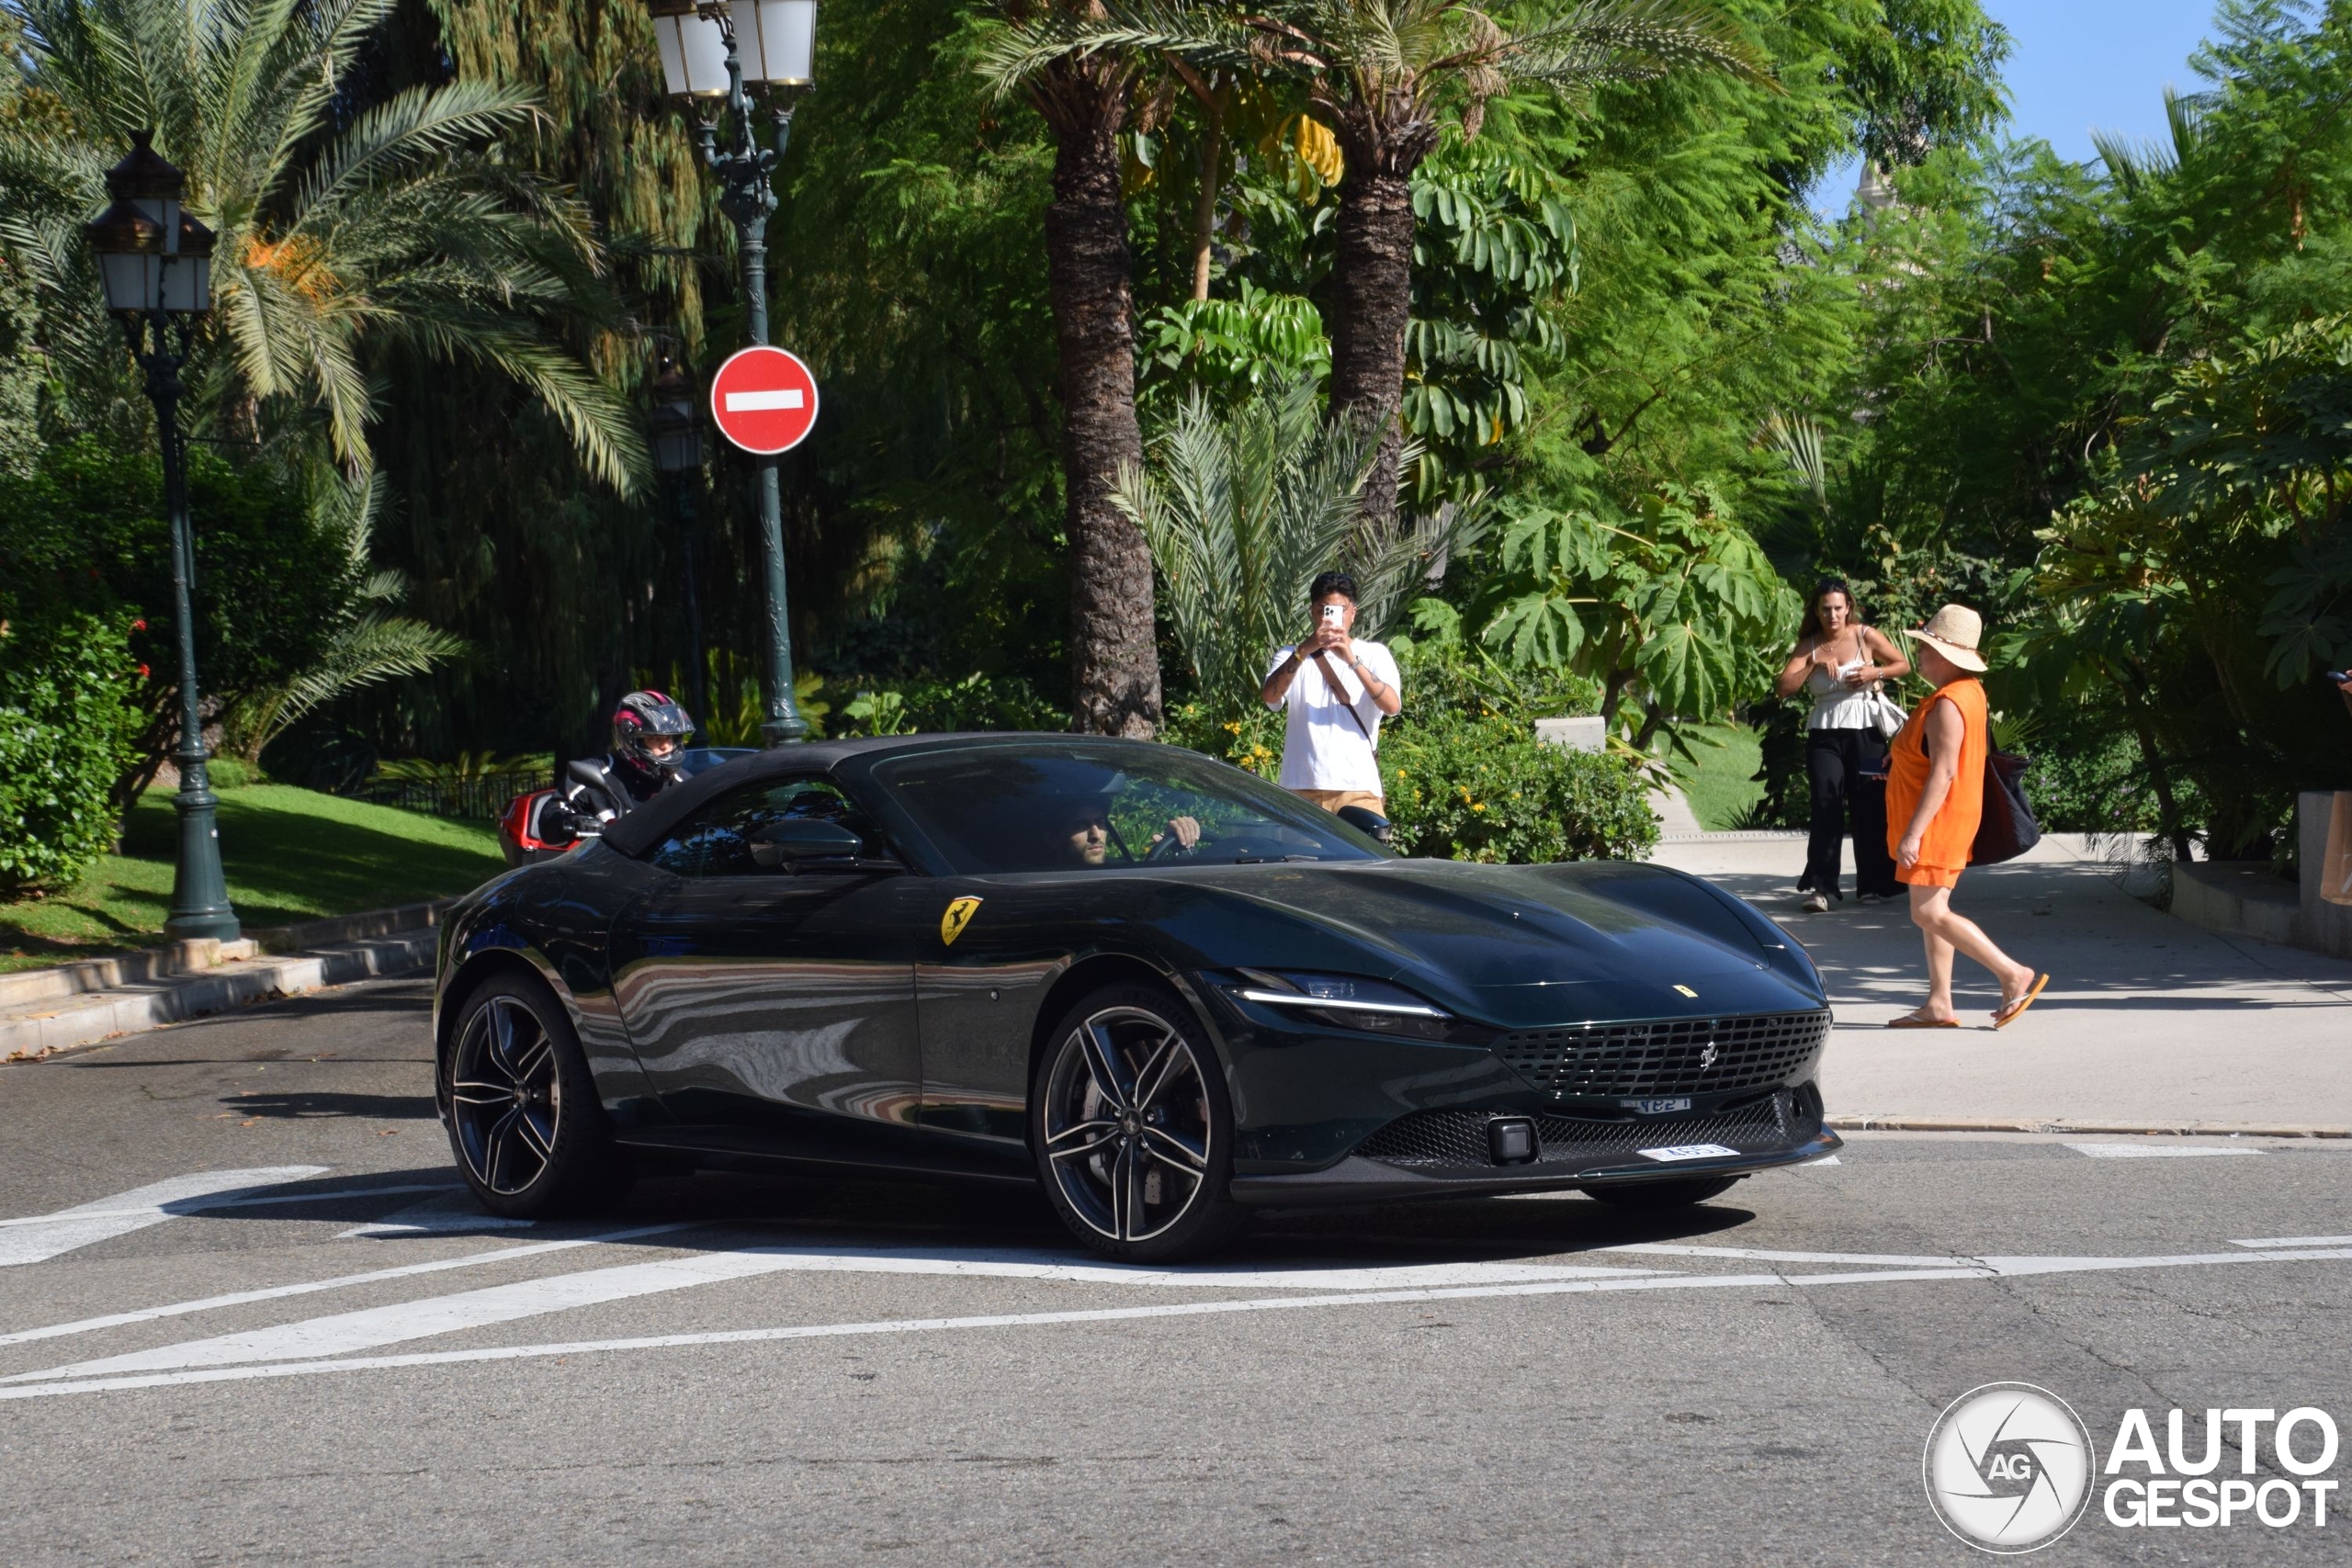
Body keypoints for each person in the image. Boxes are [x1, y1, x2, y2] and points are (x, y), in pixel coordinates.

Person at [1883, 604, 2049, 1030]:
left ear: (1946, 655)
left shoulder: (1948, 703)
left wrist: (1913, 834)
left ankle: (2013, 973)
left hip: (1940, 821)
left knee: (1929, 914)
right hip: (1949, 816)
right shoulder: (1968, 692)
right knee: (1933, 909)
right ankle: (1939, 1003)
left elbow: (1944, 772)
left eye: (1926, 647)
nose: (1919, 654)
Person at [1774, 579, 1910, 914]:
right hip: (1825, 733)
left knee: (1869, 806)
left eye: (1837, 608)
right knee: (1825, 804)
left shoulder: (1865, 635)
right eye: (1825, 609)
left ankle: (1873, 884)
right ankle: (1820, 887)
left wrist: (1873, 672)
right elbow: (1783, 688)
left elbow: (1903, 665)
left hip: (1866, 731)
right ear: (1816, 611)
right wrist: (1811, 666)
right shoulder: (1809, 644)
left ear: (1848, 607)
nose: (1832, 615)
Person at [1260, 571, 1402, 817]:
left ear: (1353, 613)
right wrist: (1304, 649)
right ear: (1313, 612)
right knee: (1299, 857)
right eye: (1325, 609)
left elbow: (1392, 707)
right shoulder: (1291, 654)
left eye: (1341, 610)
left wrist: (1351, 660)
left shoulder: (1375, 654)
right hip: (1300, 788)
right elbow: (1271, 697)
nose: (1334, 617)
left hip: (1358, 789)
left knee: (1367, 856)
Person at [560, 690, 696, 827]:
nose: (666, 746)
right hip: (609, 848)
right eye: (655, 739)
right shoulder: (597, 773)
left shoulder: (683, 782)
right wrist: (574, 821)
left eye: (669, 738)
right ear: (630, 740)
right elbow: (552, 815)